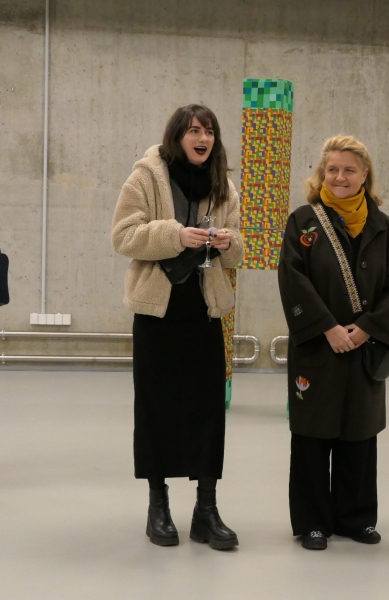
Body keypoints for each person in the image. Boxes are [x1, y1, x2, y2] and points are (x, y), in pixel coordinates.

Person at [111, 104, 243, 550]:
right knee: (156, 410)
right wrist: (174, 235)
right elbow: (122, 236)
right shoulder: (146, 176)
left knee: (208, 411)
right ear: (177, 136)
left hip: (204, 311)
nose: (202, 138)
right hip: (157, 312)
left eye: (209, 131)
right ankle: (158, 506)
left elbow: (238, 251)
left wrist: (227, 242)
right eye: (193, 130)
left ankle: (206, 509)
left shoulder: (223, 185)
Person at [278, 135, 389, 550]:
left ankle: (356, 518)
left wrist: (367, 328)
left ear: (364, 175)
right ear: (322, 173)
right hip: (318, 347)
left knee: (360, 432)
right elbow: (292, 279)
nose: (340, 177)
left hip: (364, 347)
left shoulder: (387, 230)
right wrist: (328, 328)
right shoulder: (303, 222)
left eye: (349, 170)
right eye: (332, 169)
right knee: (312, 435)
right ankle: (313, 522)